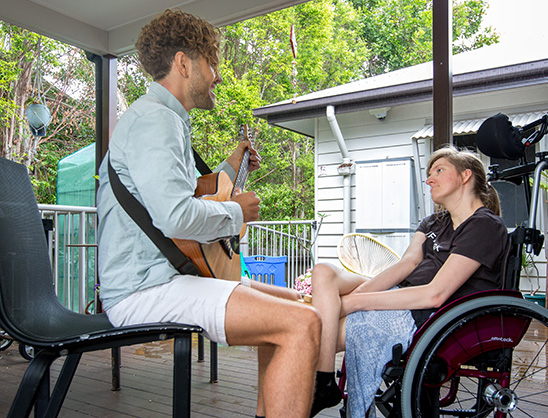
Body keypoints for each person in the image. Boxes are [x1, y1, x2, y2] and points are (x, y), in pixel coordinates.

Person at [96, 9, 321, 418]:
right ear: (184, 63)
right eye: (212, 62)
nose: (217, 75)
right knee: (300, 323)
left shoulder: (162, 121)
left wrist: (231, 169)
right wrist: (237, 212)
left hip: (163, 280)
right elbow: (177, 217)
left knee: (298, 307)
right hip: (144, 291)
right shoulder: (155, 122)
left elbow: (185, 195)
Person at [309, 146, 509, 417]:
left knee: (313, 331)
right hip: (401, 292)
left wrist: (354, 302)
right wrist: (351, 301)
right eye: (429, 173)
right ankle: (324, 379)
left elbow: (435, 295)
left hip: (429, 313)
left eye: (439, 170)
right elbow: (406, 265)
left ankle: (318, 385)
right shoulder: (433, 222)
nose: (429, 179)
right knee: (323, 272)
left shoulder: (484, 226)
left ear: (465, 176)